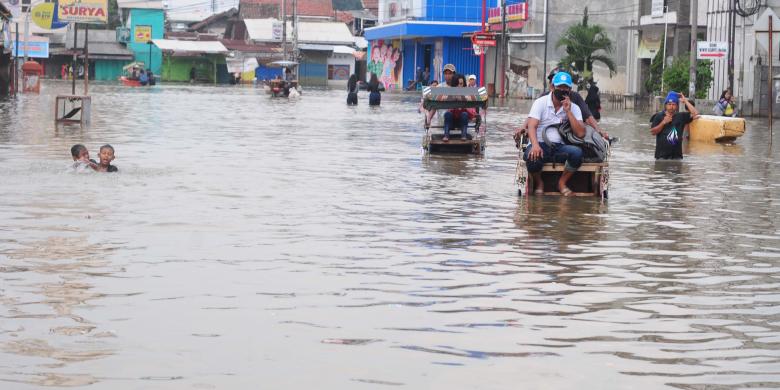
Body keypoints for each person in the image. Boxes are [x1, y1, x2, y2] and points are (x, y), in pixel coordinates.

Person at [523, 71, 586, 196]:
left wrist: (568, 112)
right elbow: (531, 126)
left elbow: (580, 133)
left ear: (570, 90)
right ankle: (539, 182)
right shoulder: (540, 103)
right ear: (552, 87)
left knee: (577, 154)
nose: (563, 90)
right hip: (540, 144)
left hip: (560, 147)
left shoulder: (574, 108)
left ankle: (562, 183)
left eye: (566, 88)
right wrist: (535, 145)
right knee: (532, 158)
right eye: (560, 87)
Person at [515, 68, 608, 141]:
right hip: (545, 136)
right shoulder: (544, 97)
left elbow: (588, 117)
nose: (561, 89)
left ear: (569, 87)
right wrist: (523, 127)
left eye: (564, 86)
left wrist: (599, 131)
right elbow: (533, 117)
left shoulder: (575, 97)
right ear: (552, 85)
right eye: (554, 82)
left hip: (567, 135)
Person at [650, 91, 700, 160]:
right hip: (661, 158)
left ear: (677, 106)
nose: (671, 106)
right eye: (669, 104)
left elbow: (695, 113)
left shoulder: (681, 116)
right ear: (665, 105)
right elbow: (653, 132)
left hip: (677, 157)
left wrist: (685, 100)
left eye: (673, 104)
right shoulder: (658, 116)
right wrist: (663, 122)